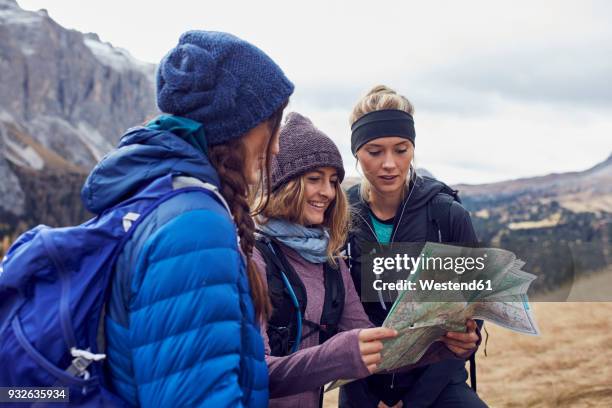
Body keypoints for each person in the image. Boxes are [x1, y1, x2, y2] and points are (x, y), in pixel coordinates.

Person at [82, 30, 293, 407]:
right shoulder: (196, 225)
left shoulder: (155, 194)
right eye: (272, 126)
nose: (276, 146)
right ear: (239, 127)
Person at [253, 113, 479, 408]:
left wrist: (444, 348)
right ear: (282, 184)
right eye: (314, 179)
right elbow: (254, 372)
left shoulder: (329, 260)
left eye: (333, 181)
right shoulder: (252, 256)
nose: (327, 192)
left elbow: (374, 344)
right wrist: (341, 355)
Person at [339, 85, 487, 408]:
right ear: (356, 153)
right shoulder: (340, 219)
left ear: (413, 148)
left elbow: (474, 308)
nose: (389, 164)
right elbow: (337, 320)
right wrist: (367, 399)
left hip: (438, 385)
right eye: (374, 152)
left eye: (401, 149)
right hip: (361, 387)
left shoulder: (447, 215)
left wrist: (468, 340)